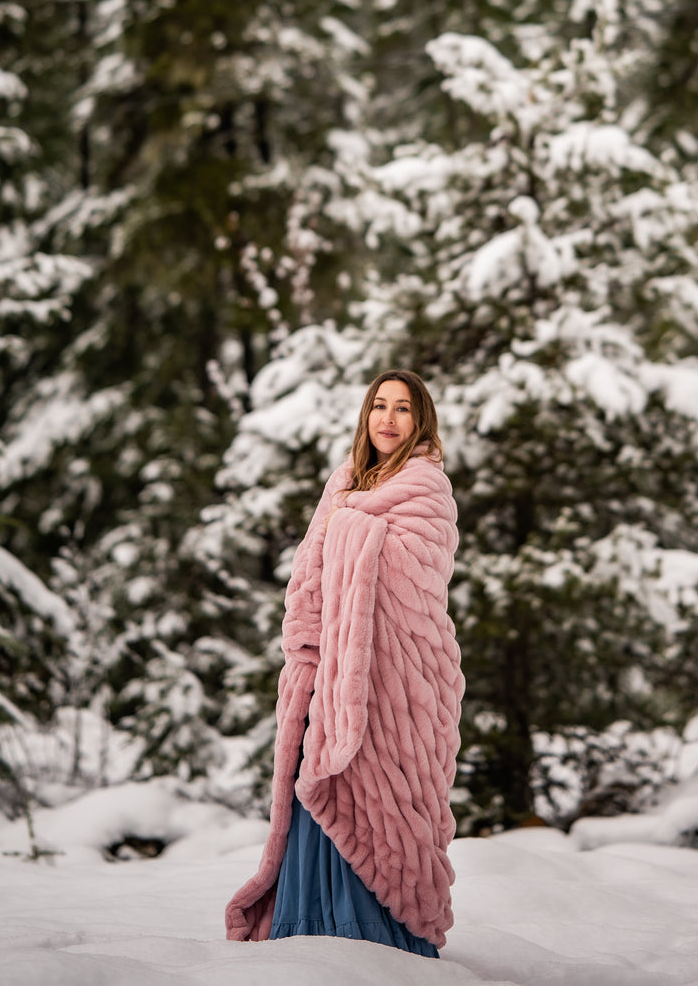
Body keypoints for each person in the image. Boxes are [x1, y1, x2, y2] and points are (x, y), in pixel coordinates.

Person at [226, 369, 465, 955]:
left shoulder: (427, 489)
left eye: (403, 408)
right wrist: (308, 648)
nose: (387, 418)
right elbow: (307, 573)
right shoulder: (343, 483)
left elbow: (417, 574)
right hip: (328, 673)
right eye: (378, 406)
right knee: (322, 783)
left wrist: (350, 527)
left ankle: (376, 938)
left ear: (421, 421)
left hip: (396, 674)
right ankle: (309, 932)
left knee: (382, 796)